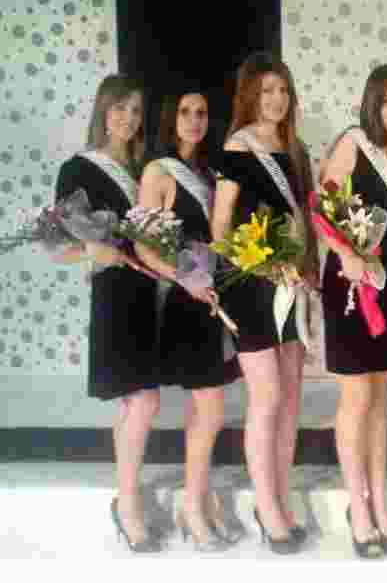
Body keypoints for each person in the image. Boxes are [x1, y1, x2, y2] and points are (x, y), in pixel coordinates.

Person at [210, 53, 318, 555]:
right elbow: (220, 227)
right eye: (267, 90)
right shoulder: (238, 146)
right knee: (268, 396)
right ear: (251, 95)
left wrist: (305, 271)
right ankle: (266, 506)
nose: (277, 99)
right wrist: (260, 265)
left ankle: (281, 496)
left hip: (289, 283)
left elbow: (305, 221)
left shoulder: (295, 149)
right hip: (250, 284)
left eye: (283, 90)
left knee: (291, 398)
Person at [54, 74, 161, 552]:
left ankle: (125, 496)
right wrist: (91, 251)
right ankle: (129, 503)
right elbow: (57, 245)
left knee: (133, 402)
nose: (128, 118)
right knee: (143, 400)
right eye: (120, 108)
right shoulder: (78, 169)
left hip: (149, 291)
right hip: (114, 292)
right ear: (103, 110)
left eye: (135, 111)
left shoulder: (144, 170)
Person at [319, 63, 387, 558]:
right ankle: (356, 507)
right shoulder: (353, 144)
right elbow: (322, 208)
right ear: (372, 105)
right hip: (351, 283)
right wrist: (346, 255)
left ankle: (380, 504)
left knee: (381, 400)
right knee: (357, 396)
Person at [134, 88, 242, 551]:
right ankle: (193, 506)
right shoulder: (158, 172)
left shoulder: (209, 173)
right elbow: (143, 246)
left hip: (211, 298)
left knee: (205, 412)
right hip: (183, 300)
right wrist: (185, 279)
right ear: (170, 117)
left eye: (201, 112)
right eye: (185, 112)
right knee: (211, 409)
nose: (194, 120)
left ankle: (196, 501)